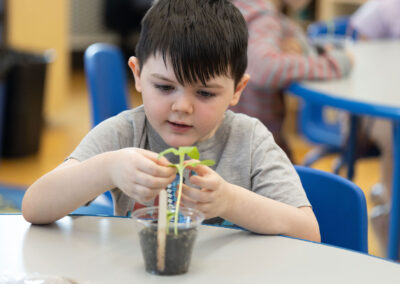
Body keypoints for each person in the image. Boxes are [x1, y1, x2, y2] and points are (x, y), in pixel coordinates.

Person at [21, 0, 320, 242]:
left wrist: (229, 201)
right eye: (164, 87)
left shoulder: (251, 140)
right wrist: (108, 168)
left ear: (237, 90)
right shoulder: (125, 134)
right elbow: (34, 207)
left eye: (204, 93)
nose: (182, 107)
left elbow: (309, 232)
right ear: (137, 75)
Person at [231, 0, 353, 161]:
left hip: (232, 137)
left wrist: (299, 47)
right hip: (255, 146)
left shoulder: (243, 8)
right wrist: (334, 63)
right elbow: (266, 68)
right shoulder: (264, 17)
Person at [350, 0, 400, 254]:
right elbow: (356, 62)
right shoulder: (383, 8)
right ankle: (391, 219)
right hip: (369, 107)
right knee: (396, 142)